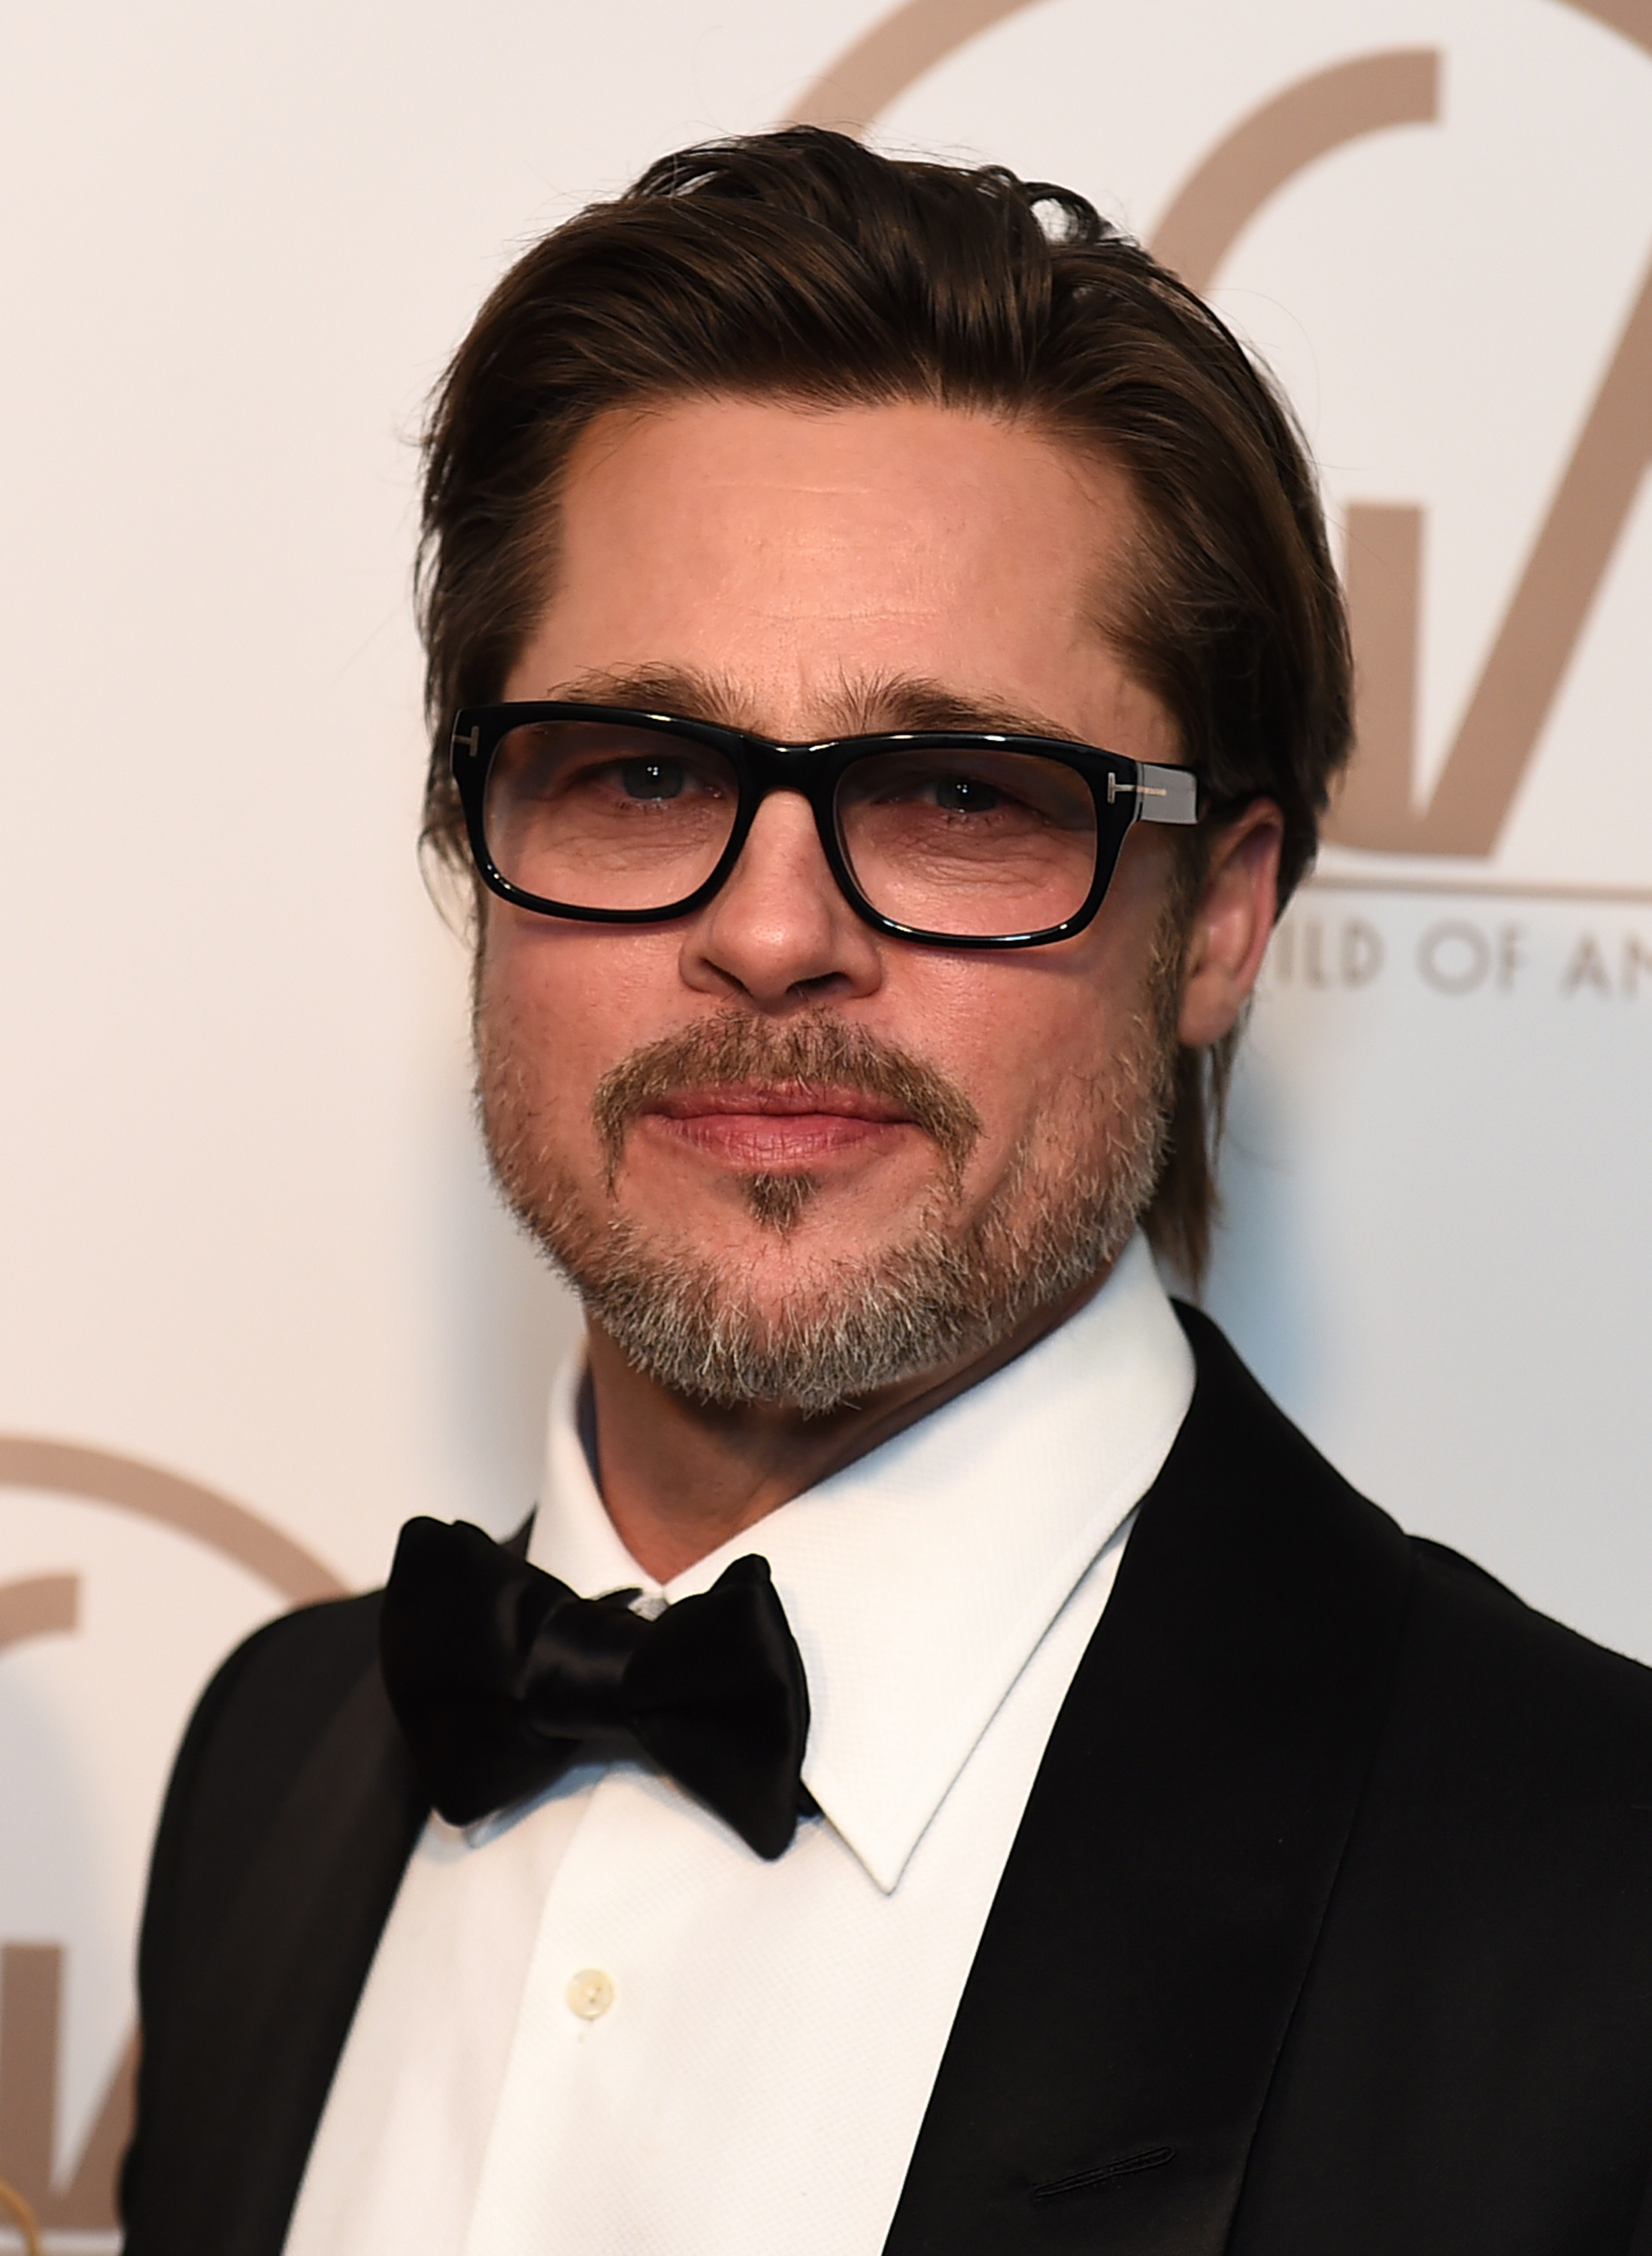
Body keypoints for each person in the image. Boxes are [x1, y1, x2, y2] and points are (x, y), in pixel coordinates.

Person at [121, 129, 1652, 2256]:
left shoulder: (1591, 1909)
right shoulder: (271, 1767)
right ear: (482, 846)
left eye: (956, 797)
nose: (771, 935)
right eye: (643, 773)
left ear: (1219, 919)